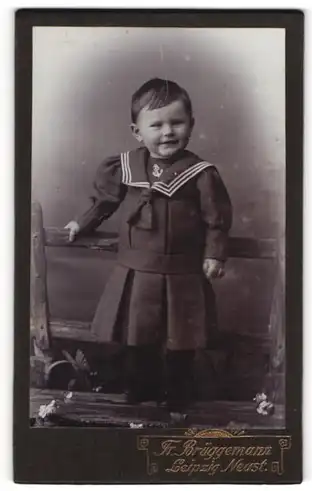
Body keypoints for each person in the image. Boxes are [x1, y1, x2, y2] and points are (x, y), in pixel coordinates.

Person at [65, 78, 232, 423]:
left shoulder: (201, 174)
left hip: (182, 274)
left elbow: (217, 220)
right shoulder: (126, 168)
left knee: (180, 340)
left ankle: (178, 397)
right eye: (156, 124)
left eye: (177, 123)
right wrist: (81, 224)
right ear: (137, 131)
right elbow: (104, 204)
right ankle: (139, 390)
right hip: (136, 271)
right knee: (136, 335)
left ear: (191, 125)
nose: (168, 132)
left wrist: (214, 254)